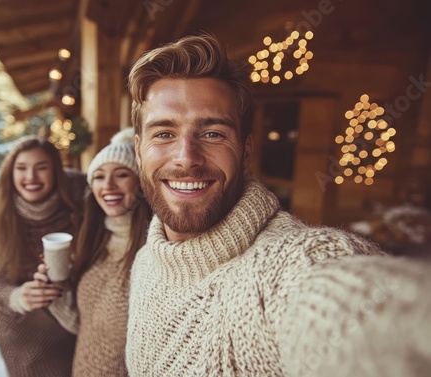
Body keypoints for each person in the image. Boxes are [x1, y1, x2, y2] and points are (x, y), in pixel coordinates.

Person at [125, 33, 431, 376]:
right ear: (139, 149)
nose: (186, 158)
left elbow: (346, 302)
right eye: (164, 134)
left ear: (247, 150)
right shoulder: (145, 261)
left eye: (213, 133)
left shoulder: (282, 267)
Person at [0, 135, 86, 377]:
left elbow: (107, 175)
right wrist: (15, 297)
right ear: (10, 173)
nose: (30, 178)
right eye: (21, 168)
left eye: (42, 168)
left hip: (75, 330)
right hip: (21, 334)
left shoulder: (78, 212)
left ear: (57, 172)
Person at [35, 127, 152, 376]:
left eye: (121, 174)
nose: (108, 185)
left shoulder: (154, 251)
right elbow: (82, 325)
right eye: (98, 176)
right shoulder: (95, 242)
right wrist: (55, 290)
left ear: (141, 184)